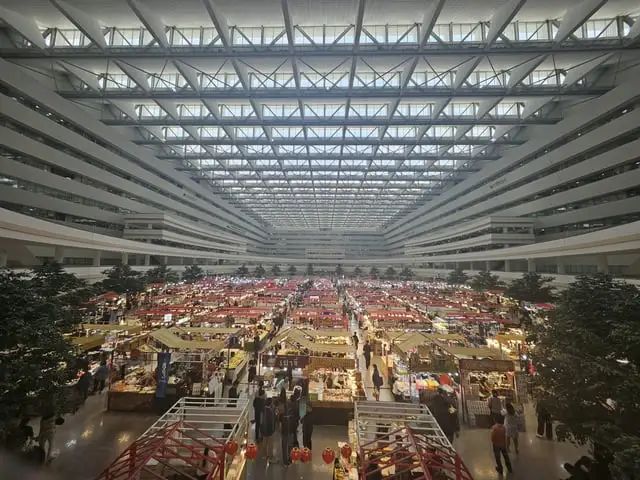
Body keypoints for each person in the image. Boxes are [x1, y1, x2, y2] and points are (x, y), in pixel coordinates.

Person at [261, 397, 277, 463]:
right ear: (270, 404)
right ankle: (271, 457)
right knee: (270, 444)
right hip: (269, 430)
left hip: (264, 430)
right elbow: (271, 421)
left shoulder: (264, 409)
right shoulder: (270, 411)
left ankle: (264, 455)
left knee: (264, 443)